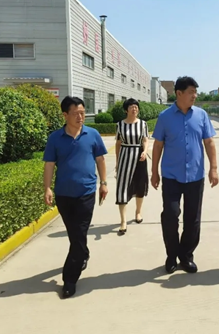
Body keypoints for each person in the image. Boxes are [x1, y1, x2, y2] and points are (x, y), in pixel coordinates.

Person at [151, 76, 219, 274]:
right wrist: (154, 172)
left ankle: (186, 256)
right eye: (191, 92)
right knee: (170, 216)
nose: (195, 96)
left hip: (195, 176)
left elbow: (209, 142)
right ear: (179, 93)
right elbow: (158, 145)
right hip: (171, 176)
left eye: (195, 92)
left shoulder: (201, 115)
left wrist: (213, 168)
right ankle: (172, 255)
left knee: (193, 219)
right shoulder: (165, 117)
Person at [43, 96, 108, 299]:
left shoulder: (92, 134)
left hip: (86, 193)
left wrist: (103, 183)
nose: (80, 117)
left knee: (79, 233)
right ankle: (83, 253)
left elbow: (100, 159)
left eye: (82, 113)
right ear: (65, 115)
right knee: (75, 234)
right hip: (64, 194)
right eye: (75, 113)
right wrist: (47, 188)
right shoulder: (55, 138)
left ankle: (69, 280)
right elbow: (49, 164)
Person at [115, 98, 149, 235]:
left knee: (140, 185)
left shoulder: (143, 124)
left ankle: (138, 212)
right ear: (126, 110)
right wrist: (117, 161)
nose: (134, 109)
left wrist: (145, 151)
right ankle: (123, 221)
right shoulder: (120, 125)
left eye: (136, 107)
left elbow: (145, 140)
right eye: (131, 107)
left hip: (139, 158)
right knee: (122, 187)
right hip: (125, 156)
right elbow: (118, 144)